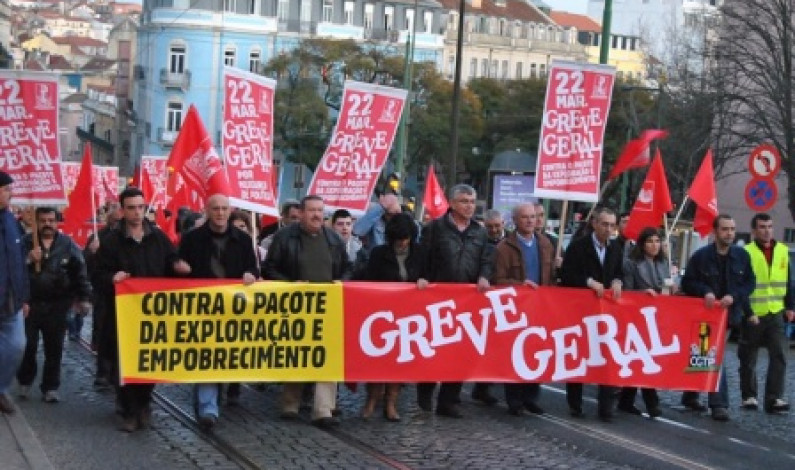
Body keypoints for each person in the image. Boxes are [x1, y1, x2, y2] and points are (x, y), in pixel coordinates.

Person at [95, 187, 191, 432]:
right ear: (122, 210)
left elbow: (170, 261)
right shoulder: (111, 242)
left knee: (149, 363)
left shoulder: (158, 238)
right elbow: (97, 274)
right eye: (131, 208)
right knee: (124, 365)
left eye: (141, 207)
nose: (137, 213)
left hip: (152, 315)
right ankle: (129, 411)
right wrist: (112, 277)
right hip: (123, 315)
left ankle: (144, 403)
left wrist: (178, 265)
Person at [263, 195, 352, 428]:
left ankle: (323, 409)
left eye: (320, 210)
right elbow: (269, 268)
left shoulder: (333, 238)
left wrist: (340, 282)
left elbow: (348, 268)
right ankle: (290, 404)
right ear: (301, 213)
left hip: (328, 307)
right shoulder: (284, 237)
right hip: (296, 306)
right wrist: (291, 284)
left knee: (328, 356)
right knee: (298, 353)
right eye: (311, 210)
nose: (316, 215)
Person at [178, 194, 259, 429]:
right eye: (216, 209)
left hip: (233, 309)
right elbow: (179, 265)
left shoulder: (243, 240)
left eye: (224, 209)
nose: (220, 213)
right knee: (206, 357)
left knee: (226, 357)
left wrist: (251, 274)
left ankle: (222, 393)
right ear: (207, 210)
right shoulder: (192, 239)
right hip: (202, 308)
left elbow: (252, 266)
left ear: (230, 211)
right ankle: (208, 408)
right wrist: (180, 268)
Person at [417, 184, 492, 418]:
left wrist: (484, 276)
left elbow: (486, 259)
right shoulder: (436, 228)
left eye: (472, 202)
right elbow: (423, 256)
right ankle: (425, 391)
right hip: (437, 299)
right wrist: (421, 277)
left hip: (467, 301)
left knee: (461, 351)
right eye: (464, 201)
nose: (469, 206)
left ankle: (449, 400)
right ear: (452, 203)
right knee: (434, 348)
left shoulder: (480, 232)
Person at [680, 214, 755, 422]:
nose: (729, 233)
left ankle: (701, 398)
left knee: (712, 355)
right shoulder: (701, 256)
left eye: (732, 229)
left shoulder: (741, 256)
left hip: (728, 316)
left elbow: (749, 283)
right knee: (708, 354)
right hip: (705, 315)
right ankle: (713, 402)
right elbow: (688, 282)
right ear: (715, 231)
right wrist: (705, 291)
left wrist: (735, 296)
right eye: (725, 229)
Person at [17, 207, 92, 403]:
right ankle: (25, 380)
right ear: (36, 222)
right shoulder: (26, 243)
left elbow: (80, 271)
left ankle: (50, 387)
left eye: (51, 220)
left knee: (54, 348)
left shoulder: (67, 244)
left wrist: (83, 298)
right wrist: (27, 259)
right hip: (30, 304)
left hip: (58, 305)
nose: (48, 224)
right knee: (28, 346)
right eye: (43, 221)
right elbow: (12, 269)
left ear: (57, 222)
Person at [361, 213, 428, 422]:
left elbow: (431, 275)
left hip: (408, 317)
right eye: (398, 239)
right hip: (381, 316)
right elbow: (369, 282)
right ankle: (372, 399)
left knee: (398, 362)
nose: (402, 243)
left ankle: (391, 402)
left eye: (405, 239)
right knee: (377, 361)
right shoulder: (378, 254)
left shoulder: (421, 254)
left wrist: (425, 281)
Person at [560, 206, 623, 422]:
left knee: (607, 357)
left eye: (612, 225)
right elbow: (567, 274)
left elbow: (618, 272)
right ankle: (575, 403)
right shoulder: (578, 247)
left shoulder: (616, 248)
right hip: (581, 311)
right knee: (579, 356)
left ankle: (606, 407)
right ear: (595, 224)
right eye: (604, 224)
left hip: (606, 314)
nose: (608, 229)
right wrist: (588, 282)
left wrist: (617, 281)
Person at [492, 203, 554, 416]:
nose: (530, 220)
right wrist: (520, 285)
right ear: (515, 220)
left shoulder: (545, 244)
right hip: (516, 308)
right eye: (525, 217)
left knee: (537, 351)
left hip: (539, 307)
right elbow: (498, 280)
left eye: (533, 216)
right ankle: (514, 399)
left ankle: (531, 396)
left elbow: (551, 276)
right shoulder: (504, 248)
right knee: (516, 352)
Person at [739, 213, 792, 414]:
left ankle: (774, 398)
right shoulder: (746, 252)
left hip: (776, 311)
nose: (767, 230)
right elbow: (741, 284)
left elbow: (789, 280)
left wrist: (790, 306)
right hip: (753, 313)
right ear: (754, 230)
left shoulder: (782, 251)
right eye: (762, 226)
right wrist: (746, 311)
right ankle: (749, 396)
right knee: (748, 356)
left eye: (769, 226)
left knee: (779, 355)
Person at [616, 227, 671, 418]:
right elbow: (628, 291)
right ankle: (651, 402)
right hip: (637, 317)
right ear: (642, 244)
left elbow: (667, 285)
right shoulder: (631, 264)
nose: (654, 245)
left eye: (657, 241)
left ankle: (626, 399)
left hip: (657, 318)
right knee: (644, 357)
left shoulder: (663, 263)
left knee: (645, 358)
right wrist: (643, 295)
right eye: (650, 241)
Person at [84, 202, 122, 390]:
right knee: (102, 331)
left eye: (118, 220)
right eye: (113, 220)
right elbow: (88, 266)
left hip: (124, 296)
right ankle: (102, 371)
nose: (116, 223)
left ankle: (115, 372)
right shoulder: (99, 237)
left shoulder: (127, 237)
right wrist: (92, 252)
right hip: (103, 293)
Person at [0, 172, 29, 415]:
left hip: (12, 299)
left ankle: (1, 388)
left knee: (17, 345)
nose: (12, 193)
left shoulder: (11, 220)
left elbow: (19, 260)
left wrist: (24, 296)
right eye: (7, 189)